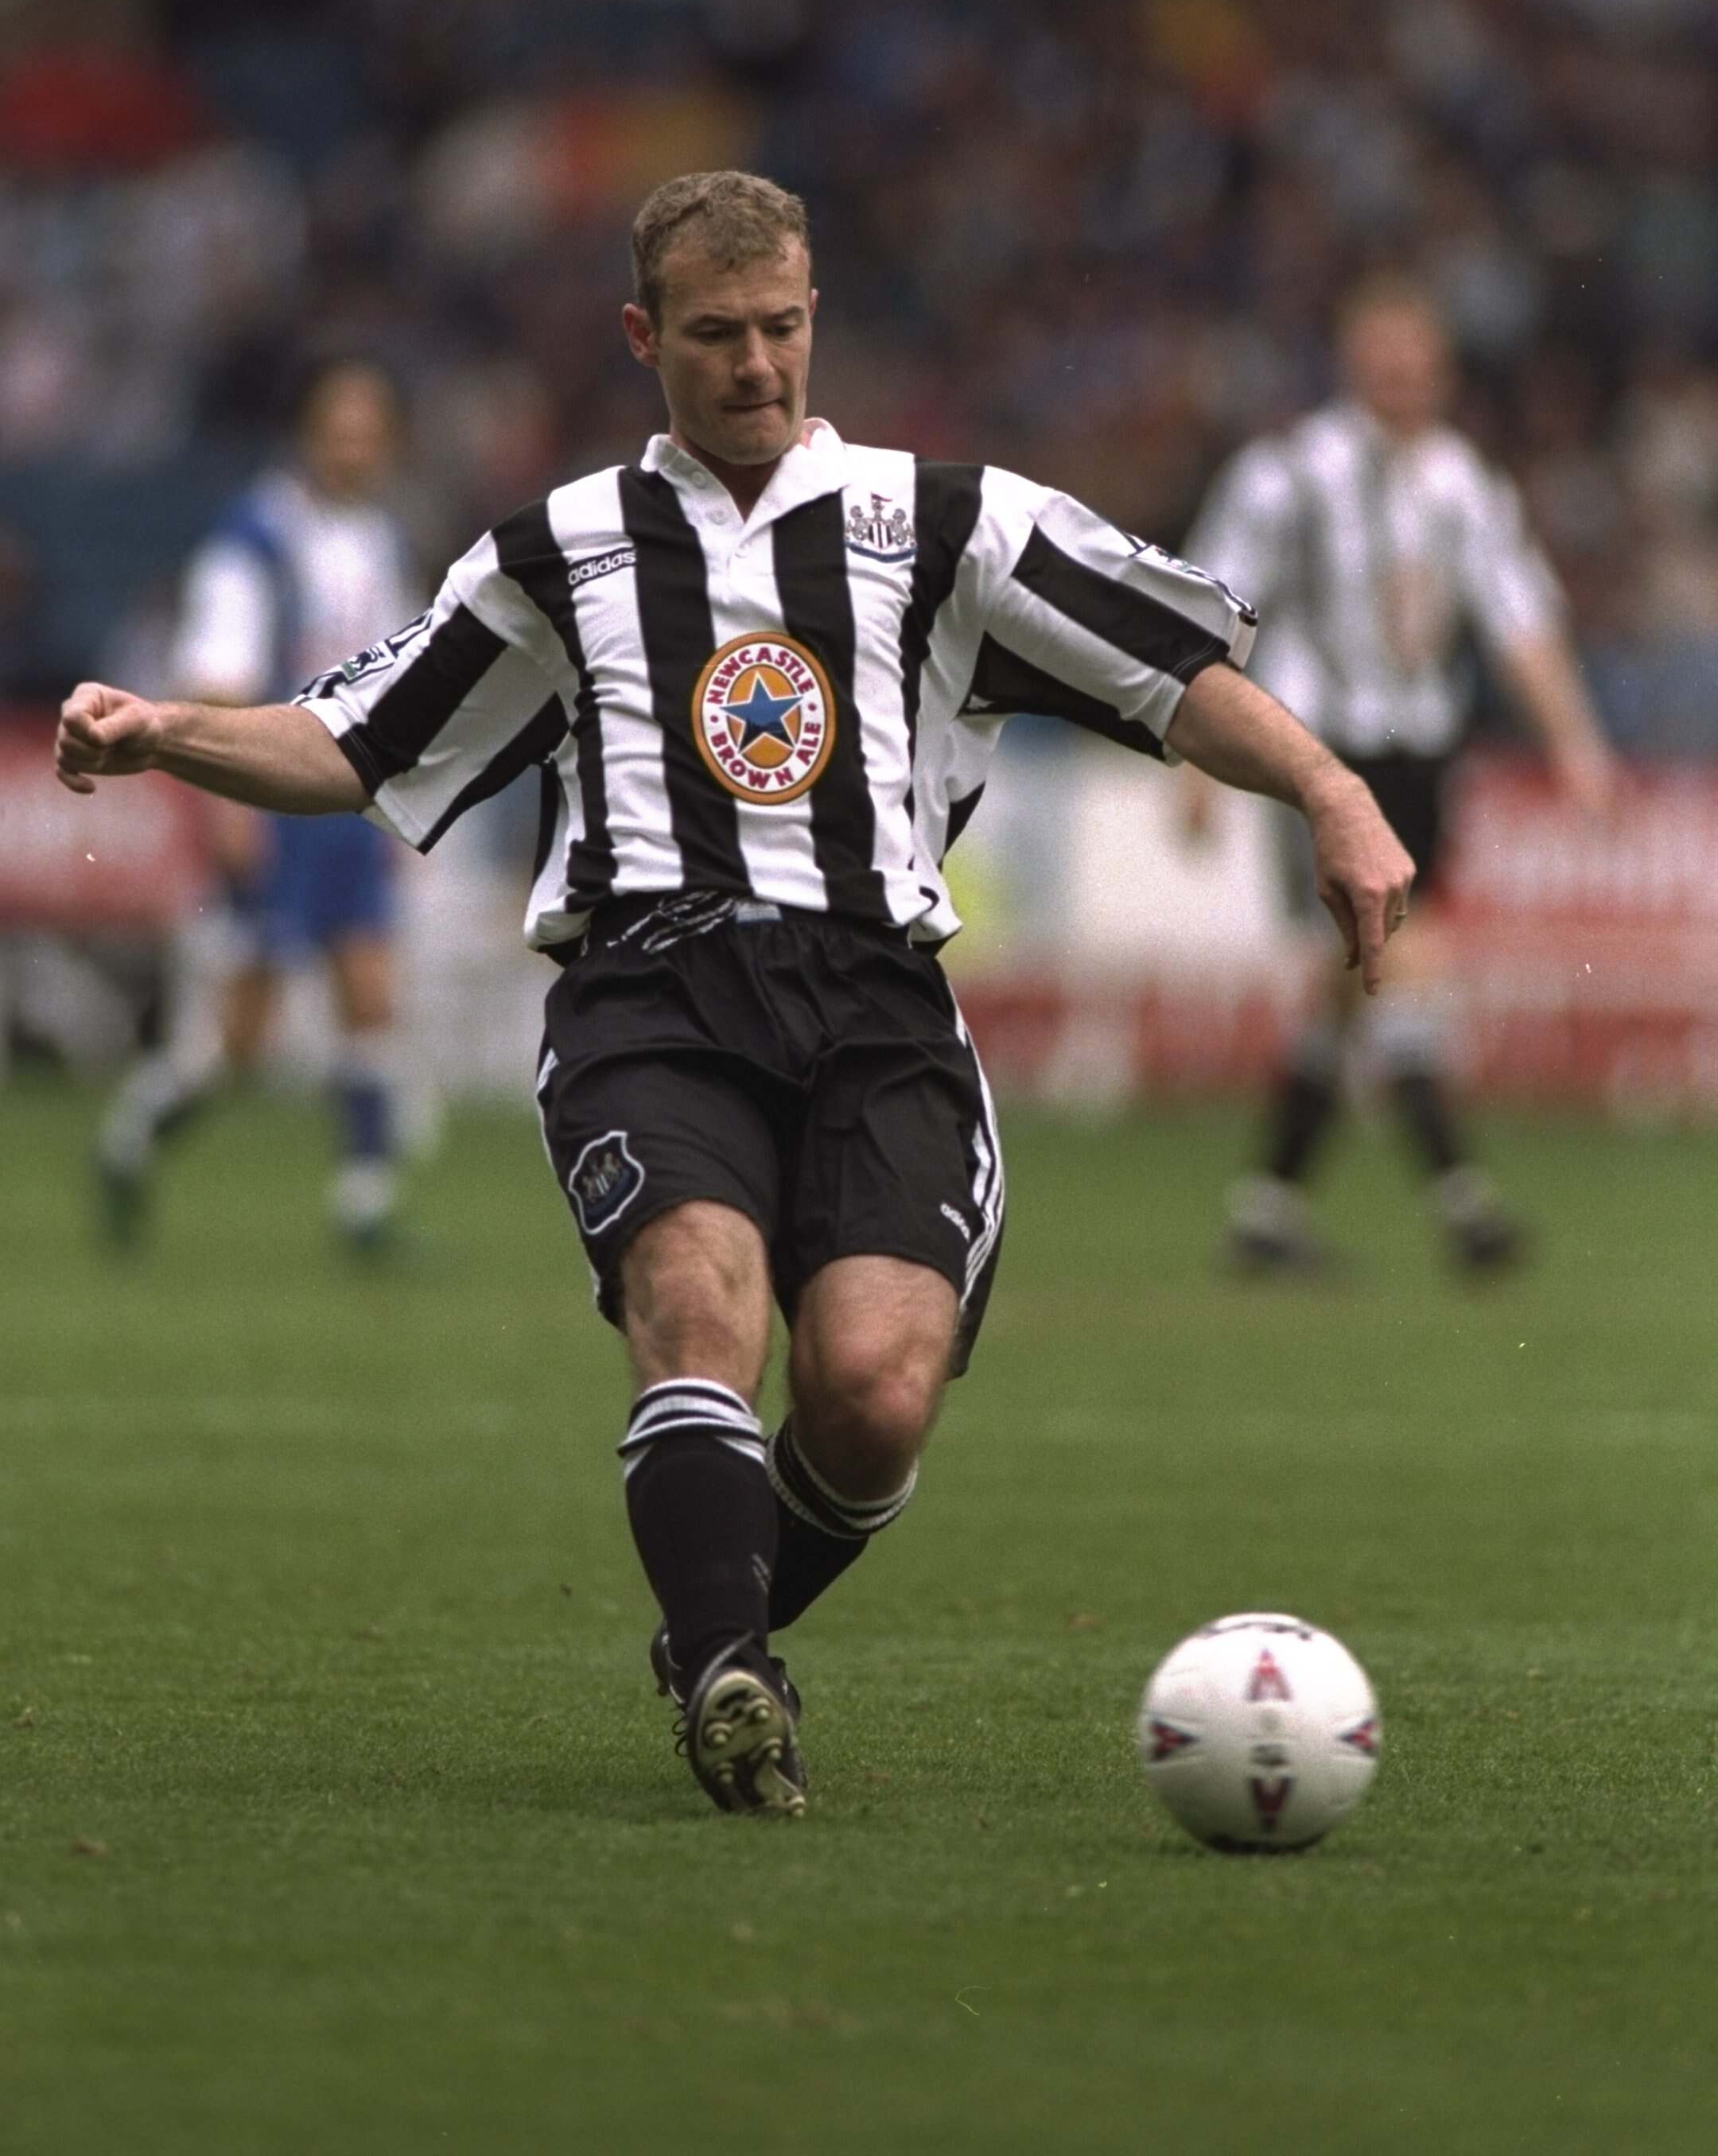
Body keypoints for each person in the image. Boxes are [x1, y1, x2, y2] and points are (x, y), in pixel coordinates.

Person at [56, 171, 1412, 1816]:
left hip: (876, 1003)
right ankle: (725, 1672)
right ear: (644, 337)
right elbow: (357, 741)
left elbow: (1173, 674)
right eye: (715, 334)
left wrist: (1333, 791)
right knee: (699, 1307)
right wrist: (167, 732)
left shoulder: (949, 523)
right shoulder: (556, 552)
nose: (756, 363)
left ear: (815, 316)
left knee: (873, 1392)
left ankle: (714, 1613)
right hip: (652, 994)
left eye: (780, 327)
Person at [1183, 277, 1616, 1276]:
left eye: (1419, 365)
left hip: (1422, 754)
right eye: (1386, 364)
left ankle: (1267, 1210)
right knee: (1403, 960)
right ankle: (1464, 1198)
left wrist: (1577, 745)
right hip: (1321, 754)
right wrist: (1191, 760)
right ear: (1352, 364)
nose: (1404, 382)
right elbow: (1208, 604)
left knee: (1353, 982)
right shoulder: (1288, 474)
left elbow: (1519, 620)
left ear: (1444, 372)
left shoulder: (1465, 484)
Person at [93, 359, 420, 1253]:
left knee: (370, 993)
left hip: (351, 800)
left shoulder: (382, 539)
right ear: (306, 434)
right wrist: (231, 812)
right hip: (277, 797)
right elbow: (219, 681)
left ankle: (366, 1205)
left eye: (370, 433)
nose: (355, 449)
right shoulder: (255, 539)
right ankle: (130, 1138)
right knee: (244, 1033)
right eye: (340, 431)